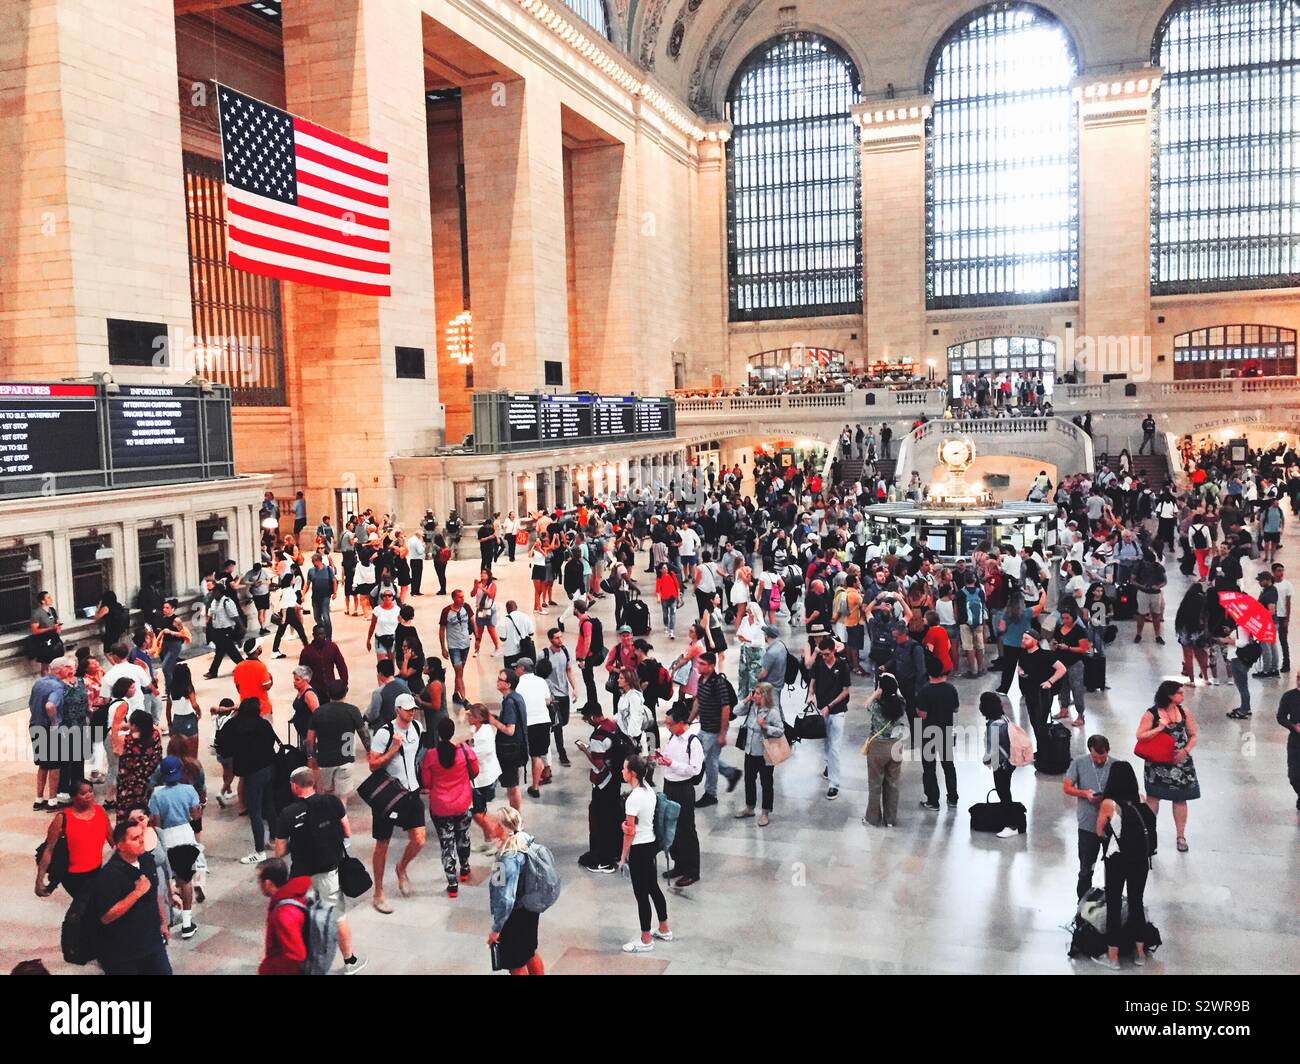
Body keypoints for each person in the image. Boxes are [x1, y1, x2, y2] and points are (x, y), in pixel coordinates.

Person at [270, 766, 366, 973]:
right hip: (328, 873)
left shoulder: (288, 813)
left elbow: (279, 852)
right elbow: (347, 832)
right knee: (338, 915)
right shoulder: (332, 802)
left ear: (295, 786)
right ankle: (350, 961)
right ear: (312, 783)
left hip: (299, 877)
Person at [1091, 761, 1155, 970]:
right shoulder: (1142, 801)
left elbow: (1099, 831)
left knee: (1114, 904)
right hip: (1140, 859)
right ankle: (1139, 954)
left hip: (1117, 859)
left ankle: (1113, 957)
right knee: (1136, 902)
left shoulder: (1109, 804)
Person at [367, 693, 427, 913]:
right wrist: (393, 749)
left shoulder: (417, 728)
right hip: (389, 794)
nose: (412, 712)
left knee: (419, 840)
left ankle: (401, 867)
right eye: (408, 709)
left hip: (411, 791)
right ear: (397, 710)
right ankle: (378, 892)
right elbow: (372, 765)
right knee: (382, 844)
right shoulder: (385, 733)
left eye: (413, 709)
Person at [88, 818, 172, 975]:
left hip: (152, 942)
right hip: (123, 952)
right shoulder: (110, 874)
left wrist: (162, 922)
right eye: (135, 838)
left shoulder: (147, 859)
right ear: (120, 845)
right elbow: (107, 916)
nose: (141, 841)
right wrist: (137, 893)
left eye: (141, 836)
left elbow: (155, 895)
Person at [1137, 680, 1200, 853]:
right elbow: (1140, 736)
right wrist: (1158, 729)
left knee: (1180, 798)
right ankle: (1149, 834)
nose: (1183, 695)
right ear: (1170, 696)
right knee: (1153, 798)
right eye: (1179, 692)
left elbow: (1193, 735)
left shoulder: (1184, 712)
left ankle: (1181, 835)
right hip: (1157, 764)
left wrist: (1185, 751)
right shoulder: (1151, 714)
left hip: (1180, 763)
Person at [419, 716, 479, 897]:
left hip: (441, 806)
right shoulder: (464, 751)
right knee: (463, 836)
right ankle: (465, 868)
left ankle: (452, 883)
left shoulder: (430, 756)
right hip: (463, 803)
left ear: (438, 734)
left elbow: (427, 783)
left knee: (447, 844)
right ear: (453, 732)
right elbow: (475, 771)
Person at [618, 754, 672, 954]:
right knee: (653, 888)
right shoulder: (648, 789)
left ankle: (646, 938)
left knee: (641, 895)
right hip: (650, 844)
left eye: (624, 769)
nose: (622, 771)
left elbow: (630, 832)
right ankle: (664, 928)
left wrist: (623, 857)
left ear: (632, 773)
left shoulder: (633, 799)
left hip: (639, 849)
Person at [215, 697, 278, 864]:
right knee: (270, 804)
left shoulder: (234, 725)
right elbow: (272, 740)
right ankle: (274, 838)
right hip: (269, 767)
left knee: (255, 811)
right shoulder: (264, 724)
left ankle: (259, 851)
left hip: (251, 772)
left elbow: (222, 746)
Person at [147, 755, 202, 940]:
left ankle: (166, 923)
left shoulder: (156, 794)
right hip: (185, 836)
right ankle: (187, 922)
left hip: (165, 838)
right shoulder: (189, 790)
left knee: (166, 882)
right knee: (186, 880)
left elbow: (156, 822)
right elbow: (195, 815)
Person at [486, 806, 545, 975]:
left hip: (514, 915)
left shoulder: (505, 859)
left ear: (501, 828)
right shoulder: (526, 840)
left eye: (493, 824)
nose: (489, 826)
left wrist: (496, 928)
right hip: (531, 908)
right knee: (529, 952)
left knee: (515, 962)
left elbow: (505, 898)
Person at [35, 779, 111, 900]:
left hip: (96, 870)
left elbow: (112, 840)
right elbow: (49, 849)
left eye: (90, 791)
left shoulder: (100, 812)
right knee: (86, 905)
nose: (89, 796)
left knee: (93, 906)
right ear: (74, 797)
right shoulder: (62, 818)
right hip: (73, 875)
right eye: (83, 793)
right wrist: (39, 879)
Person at [655, 702, 704, 886]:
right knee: (671, 827)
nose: (667, 727)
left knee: (686, 829)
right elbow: (669, 759)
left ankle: (692, 870)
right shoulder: (673, 738)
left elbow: (694, 769)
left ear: (682, 723)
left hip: (683, 789)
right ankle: (679, 864)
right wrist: (660, 759)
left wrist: (671, 764)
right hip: (670, 786)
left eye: (670, 724)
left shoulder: (693, 742)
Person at [1063, 735, 1113, 899]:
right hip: (1087, 825)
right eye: (1095, 757)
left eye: (1102, 757)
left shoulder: (1116, 765)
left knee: (1113, 867)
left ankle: (1110, 900)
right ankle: (1082, 902)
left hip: (1111, 826)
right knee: (1086, 868)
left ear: (1108, 751)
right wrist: (1084, 793)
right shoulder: (1079, 762)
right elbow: (1067, 787)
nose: (1099, 760)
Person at [689, 652, 740, 806]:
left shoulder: (718, 683)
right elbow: (698, 700)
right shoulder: (701, 679)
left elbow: (726, 708)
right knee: (711, 759)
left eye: (702, 664)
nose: (698, 666)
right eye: (698, 663)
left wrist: (722, 734)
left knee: (703, 758)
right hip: (705, 727)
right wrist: (689, 720)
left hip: (714, 729)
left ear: (711, 666)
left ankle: (711, 793)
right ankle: (731, 773)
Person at [732, 681, 786, 826]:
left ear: (765, 695)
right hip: (750, 751)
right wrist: (746, 700)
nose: (754, 696)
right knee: (749, 780)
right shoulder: (752, 707)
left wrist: (765, 727)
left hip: (764, 753)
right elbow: (735, 711)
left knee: (766, 783)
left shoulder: (772, 711)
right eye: (753, 693)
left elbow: (781, 730)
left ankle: (765, 812)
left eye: (757, 693)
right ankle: (750, 807)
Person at [306, 680, 370, 798]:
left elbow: (310, 739)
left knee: (326, 796)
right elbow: (364, 734)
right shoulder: (352, 710)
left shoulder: (319, 712)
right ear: (346, 692)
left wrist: (311, 756)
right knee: (342, 798)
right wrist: (370, 751)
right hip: (346, 759)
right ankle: (341, 815)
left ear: (328, 693)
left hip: (325, 760)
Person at [862, 673, 908, 828]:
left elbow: (866, 704)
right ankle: (890, 820)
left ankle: (873, 818)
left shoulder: (876, 706)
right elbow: (899, 693)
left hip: (878, 747)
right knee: (893, 784)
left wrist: (876, 692)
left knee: (875, 784)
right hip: (896, 745)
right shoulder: (901, 703)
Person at [809, 636, 852, 800]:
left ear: (834, 651)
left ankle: (834, 784)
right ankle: (829, 767)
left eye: (827, 654)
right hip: (822, 711)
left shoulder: (842, 666)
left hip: (837, 711)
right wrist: (810, 695)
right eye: (822, 654)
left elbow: (845, 690)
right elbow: (812, 681)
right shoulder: (819, 664)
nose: (825, 657)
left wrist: (830, 706)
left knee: (834, 747)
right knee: (826, 743)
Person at [255, 857, 312, 975]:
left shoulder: (284, 914)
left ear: (268, 883)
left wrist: (267, 969)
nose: (258, 884)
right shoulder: (290, 897)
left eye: (259, 881)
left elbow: (295, 957)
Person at [916, 656, 959, 811]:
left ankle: (933, 800)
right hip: (946, 730)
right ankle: (953, 797)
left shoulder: (924, 691)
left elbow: (923, 715)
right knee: (949, 766)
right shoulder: (950, 689)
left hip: (929, 733)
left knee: (929, 768)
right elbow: (956, 709)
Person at [979, 692, 1020, 838]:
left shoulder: (994, 725)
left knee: (1003, 792)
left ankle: (1011, 824)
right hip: (1009, 761)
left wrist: (986, 760)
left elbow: (993, 749)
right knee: (1004, 790)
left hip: (1001, 764)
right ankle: (1009, 821)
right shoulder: (1004, 719)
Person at [116, 710, 162, 828]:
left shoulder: (126, 740)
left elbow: (114, 733)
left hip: (129, 784)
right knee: (145, 813)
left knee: (127, 815)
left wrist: (123, 727)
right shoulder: (155, 735)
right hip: (148, 780)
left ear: (135, 726)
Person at [466, 703, 501, 850]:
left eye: (471, 715)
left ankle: (495, 838)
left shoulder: (485, 734)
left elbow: (475, 755)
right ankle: (488, 839)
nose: (468, 717)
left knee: (476, 813)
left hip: (484, 778)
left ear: (478, 718)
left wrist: (465, 749)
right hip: (478, 777)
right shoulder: (476, 728)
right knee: (481, 810)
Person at [439, 590, 474, 706]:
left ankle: (455, 694)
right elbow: (442, 630)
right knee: (459, 672)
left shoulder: (466, 608)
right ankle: (464, 699)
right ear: (454, 598)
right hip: (454, 647)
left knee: (460, 672)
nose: (462, 599)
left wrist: (478, 638)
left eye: (463, 597)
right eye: (459, 597)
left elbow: (472, 622)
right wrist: (443, 647)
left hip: (465, 644)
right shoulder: (446, 611)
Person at [1278, 669, 1300, 811]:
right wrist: (1293, 726)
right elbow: (1281, 717)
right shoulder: (1289, 696)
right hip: (1295, 742)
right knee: (1294, 775)